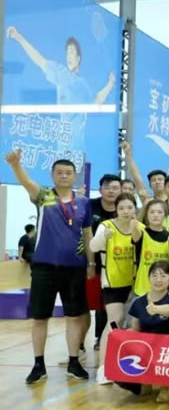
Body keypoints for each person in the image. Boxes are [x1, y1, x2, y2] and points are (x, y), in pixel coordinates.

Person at [5, 150, 94, 384]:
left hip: (74, 268)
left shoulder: (83, 202)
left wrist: (91, 262)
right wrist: (15, 165)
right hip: (44, 268)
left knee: (74, 317)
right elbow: (26, 182)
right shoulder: (43, 196)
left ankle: (74, 361)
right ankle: (38, 364)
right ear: (52, 175)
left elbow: (87, 234)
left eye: (68, 172)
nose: (64, 176)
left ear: (74, 176)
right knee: (40, 318)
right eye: (60, 172)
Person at [6, 27, 115, 154]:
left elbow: (96, 100)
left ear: (78, 58)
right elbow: (40, 60)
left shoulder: (82, 84)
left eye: (72, 52)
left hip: (78, 151)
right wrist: (19, 38)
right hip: (63, 149)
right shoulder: (61, 74)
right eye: (67, 53)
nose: (69, 56)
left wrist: (110, 84)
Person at [89, 193, 140, 385]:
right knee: (114, 320)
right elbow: (93, 247)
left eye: (130, 207)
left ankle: (129, 366)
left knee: (131, 325)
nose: (126, 211)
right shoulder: (106, 226)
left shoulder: (139, 227)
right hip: (113, 283)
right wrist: (103, 238)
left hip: (135, 284)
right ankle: (103, 368)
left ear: (135, 209)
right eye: (122, 208)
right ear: (116, 210)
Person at [128, 261, 169, 403]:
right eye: (154, 275)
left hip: (168, 348)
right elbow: (135, 328)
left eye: (163, 276)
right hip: (147, 346)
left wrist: (157, 309)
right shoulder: (138, 301)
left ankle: (167, 386)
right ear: (148, 277)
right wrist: (118, 334)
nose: (158, 280)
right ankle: (145, 380)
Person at [86, 174, 121, 352]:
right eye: (107, 187)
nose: (111, 191)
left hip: (119, 264)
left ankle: (114, 338)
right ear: (100, 190)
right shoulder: (89, 206)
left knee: (113, 305)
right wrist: (90, 263)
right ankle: (96, 339)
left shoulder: (124, 207)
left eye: (115, 188)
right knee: (97, 304)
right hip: (93, 263)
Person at [131, 199, 169, 299]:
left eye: (159, 212)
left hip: (163, 292)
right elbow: (135, 234)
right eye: (152, 212)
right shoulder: (141, 233)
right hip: (142, 291)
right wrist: (133, 224)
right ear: (146, 215)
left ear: (165, 216)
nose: (156, 215)